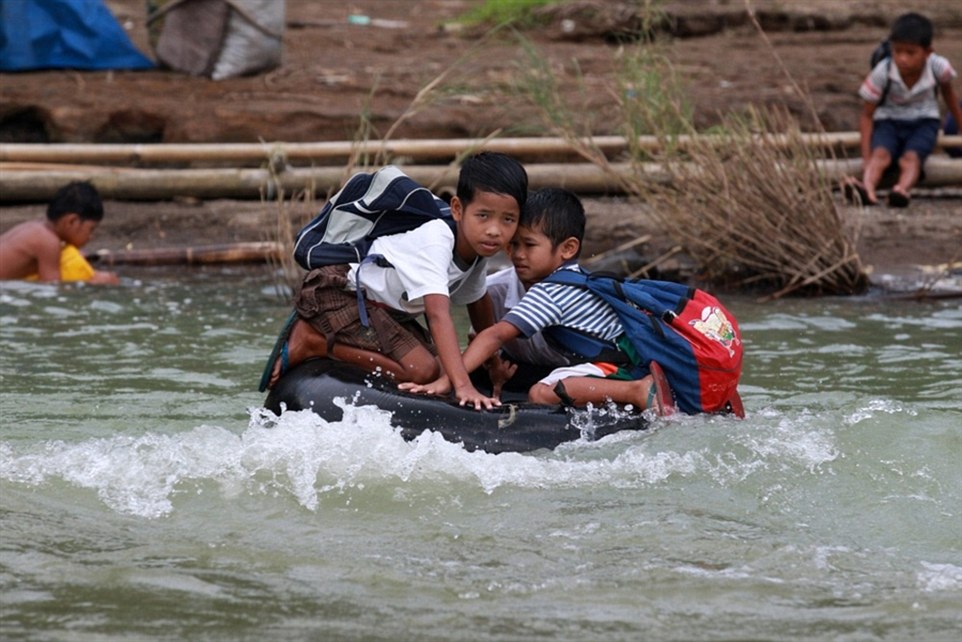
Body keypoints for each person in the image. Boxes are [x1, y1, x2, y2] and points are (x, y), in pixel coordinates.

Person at [265, 152, 528, 409]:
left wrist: (493, 363)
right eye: (483, 216)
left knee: (439, 368)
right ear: (458, 209)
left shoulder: (477, 249)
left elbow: (478, 302)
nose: (495, 230)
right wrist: (463, 386)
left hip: (380, 310)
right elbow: (438, 314)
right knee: (422, 371)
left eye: (508, 220)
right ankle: (313, 340)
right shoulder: (437, 239)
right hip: (338, 293)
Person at [400, 187, 676, 416]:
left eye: (529, 246)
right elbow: (480, 339)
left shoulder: (552, 291)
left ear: (568, 249)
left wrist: (449, 380)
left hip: (621, 366)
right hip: (610, 362)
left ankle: (636, 390)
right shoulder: (568, 279)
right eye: (514, 245)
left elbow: (494, 335)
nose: (518, 254)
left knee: (540, 393)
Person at [846, 12, 962, 207]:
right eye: (897, 51)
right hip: (888, 120)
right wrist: (866, 157)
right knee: (880, 155)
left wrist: (960, 124)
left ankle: (901, 189)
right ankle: (867, 188)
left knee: (911, 158)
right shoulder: (882, 72)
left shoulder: (938, 67)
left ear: (927, 52)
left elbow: (950, 97)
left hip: (925, 122)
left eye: (910, 53)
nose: (902, 59)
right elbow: (867, 115)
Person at [0, 181, 119, 284]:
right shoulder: (49, 242)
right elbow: (51, 290)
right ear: (72, 221)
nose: (91, 237)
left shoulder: (36, 228)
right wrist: (91, 282)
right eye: (91, 229)